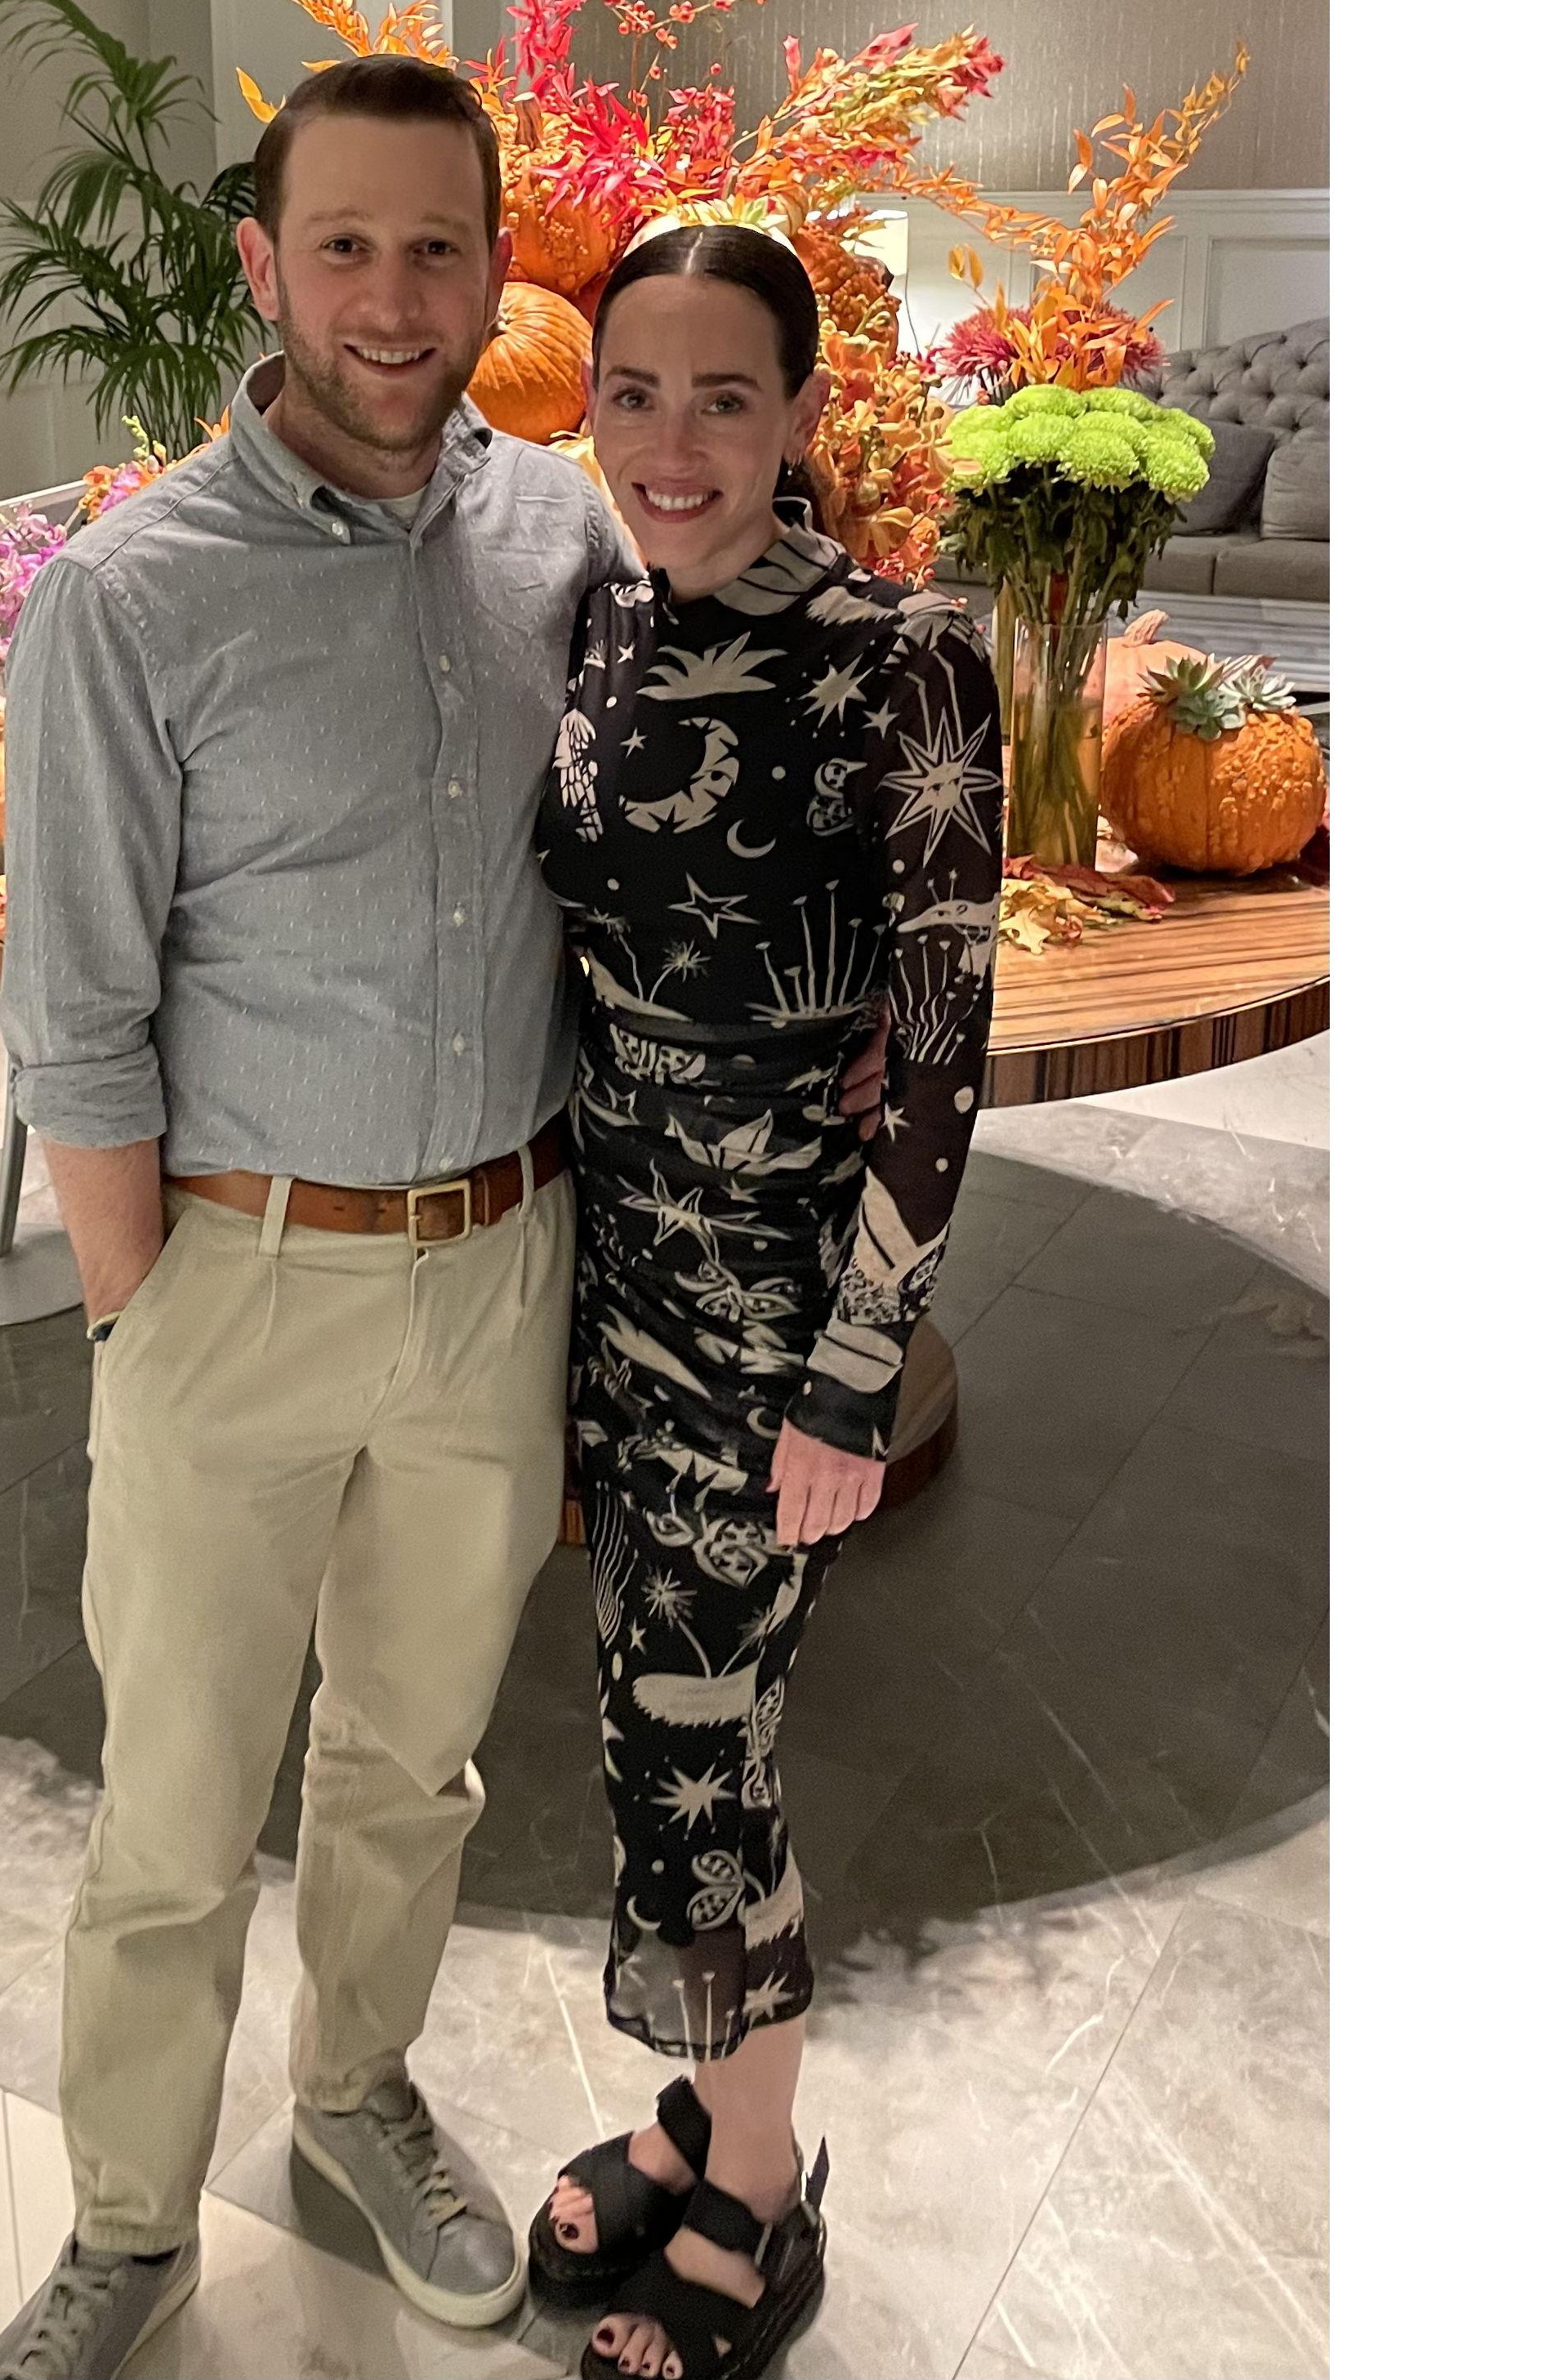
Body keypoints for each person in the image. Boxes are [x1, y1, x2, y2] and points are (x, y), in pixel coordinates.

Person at [0, 66, 884, 2380]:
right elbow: (75, 1015)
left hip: (502, 1274)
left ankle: (359, 2097)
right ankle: (122, 2227)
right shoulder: (133, 599)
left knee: (412, 1767)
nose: (394, 299)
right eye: (345, 246)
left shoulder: (561, 534)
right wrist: (143, 1314)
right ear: (262, 265)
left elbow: (720, 785)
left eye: (438, 247)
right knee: (177, 1807)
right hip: (233, 1275)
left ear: (500, 270)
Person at [528, 225, 1003, 2380]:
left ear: (805, 410)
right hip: (606, 1275)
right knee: (647, 1736)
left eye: (728, 396)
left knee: (712, 1747)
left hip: (776, 1319)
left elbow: (945, 1040)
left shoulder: (902, 657)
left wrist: (852, 1372)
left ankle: (760, 2190)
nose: (675, 440)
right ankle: (694, 2110)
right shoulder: (598, 614)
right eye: (635, 392)